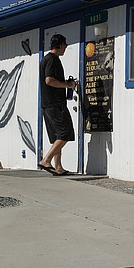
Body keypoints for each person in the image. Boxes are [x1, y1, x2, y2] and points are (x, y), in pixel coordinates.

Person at [39, 33, 78, 176]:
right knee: (65, 133)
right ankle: (46, 160)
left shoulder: (45, 59)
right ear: (60, 44)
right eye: (65, 45)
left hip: (48, 104)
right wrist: (67, 84)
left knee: (57, 136)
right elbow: (49, 80)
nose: (66, 47)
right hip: (55, 104)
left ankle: (58, 167)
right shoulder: (52, 60)